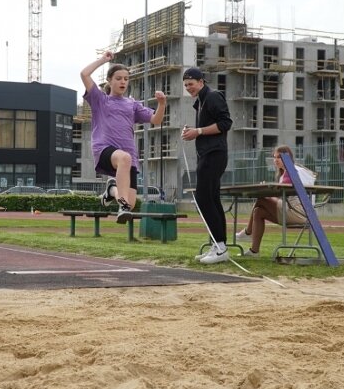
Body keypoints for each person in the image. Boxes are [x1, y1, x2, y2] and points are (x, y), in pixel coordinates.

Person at [80, 50, 166, 223]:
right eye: (118, 78)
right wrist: (103, 60)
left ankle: (112, 190)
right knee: (124, 160)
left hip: (128, 157)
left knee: (131, 202)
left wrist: (162, 103)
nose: (123, 82)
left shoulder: (132, 104)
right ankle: (121, 205)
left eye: (126, 79)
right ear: (110, 81)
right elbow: (84, 74)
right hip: (104, 149)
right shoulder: (100, 100)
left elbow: (156, 120)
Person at [181, 67, 233, 264]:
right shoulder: (201, 101)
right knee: (211, 199)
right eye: (186, 85)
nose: (188, 88)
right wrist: (193, 131)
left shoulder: (212, 96)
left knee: (204, 199)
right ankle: (218, 245)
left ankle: (220, 247)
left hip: (214, 154)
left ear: (201, 82)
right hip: (207, 154)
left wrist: (199, 131)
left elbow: (226, 123)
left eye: (191, 84)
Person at [234, 145, 316, 257]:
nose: (275, 160)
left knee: (261, 199)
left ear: (287, 158)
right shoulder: (287, 173)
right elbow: (280, 197)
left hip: (299, 213)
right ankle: (254, 251)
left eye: (279, 157)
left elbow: (278, 193)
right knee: (258, 212)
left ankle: (248, 232)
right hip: (294, 211)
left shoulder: (291, 172)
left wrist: (266, 189)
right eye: (274, 157)